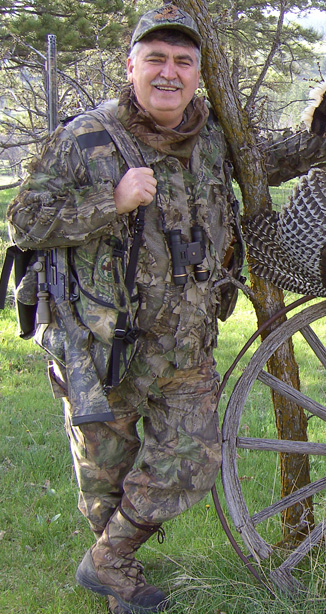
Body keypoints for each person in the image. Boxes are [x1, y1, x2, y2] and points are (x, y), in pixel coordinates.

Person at [7, 5, 243, 613]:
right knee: (104, 478)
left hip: (187, 344)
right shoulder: (84, 138)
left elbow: (269, 164)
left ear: (198, 72)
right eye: (156, 59)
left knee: (190, 460)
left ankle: (106, 560)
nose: (170, 74)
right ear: (131, 65)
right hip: (103, 346)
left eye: (183, 62)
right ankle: (119, 574)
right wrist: (109, 201)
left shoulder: (214, 136)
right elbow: (25, 219)